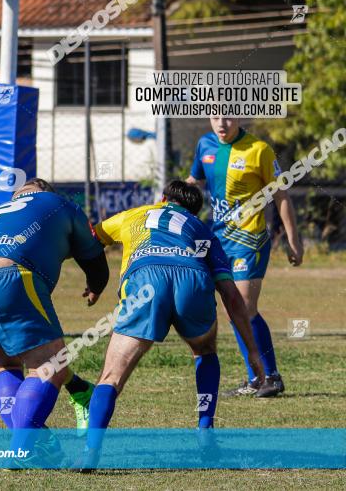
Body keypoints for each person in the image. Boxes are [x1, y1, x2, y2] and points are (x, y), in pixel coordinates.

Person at [79, 180, 263, 469]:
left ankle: (91, 452)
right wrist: (253, 352)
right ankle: (205, 431)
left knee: (111, 378)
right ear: (194, 210)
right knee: (204, 351)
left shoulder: (135, 214)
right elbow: (231, 294)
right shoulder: (202, 229)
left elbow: (91, 239)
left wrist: (95, 284)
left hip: (145, 279)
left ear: (163, 198)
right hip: (192, 277)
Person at [0, 178, 110, 465]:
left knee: (2, 366)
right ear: (45, 192)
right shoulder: (57, 203)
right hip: (3, 277)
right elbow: (93, 255)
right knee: (51, 366)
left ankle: (32, 445)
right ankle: (21, 449)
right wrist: (96, 284)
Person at [187, 117, 303, 397]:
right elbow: (194, 180)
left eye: (227, 116)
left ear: (238, 117)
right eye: (215, 117)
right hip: (219, 240)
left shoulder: (259, 149)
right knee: (232, 310)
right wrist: (170, 196)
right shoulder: (205, 145)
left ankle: (270, 377)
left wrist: (293, 240)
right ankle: (256, 379)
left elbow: (281, 196)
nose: (221, 123)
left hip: (250, 239)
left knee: (244, 307)